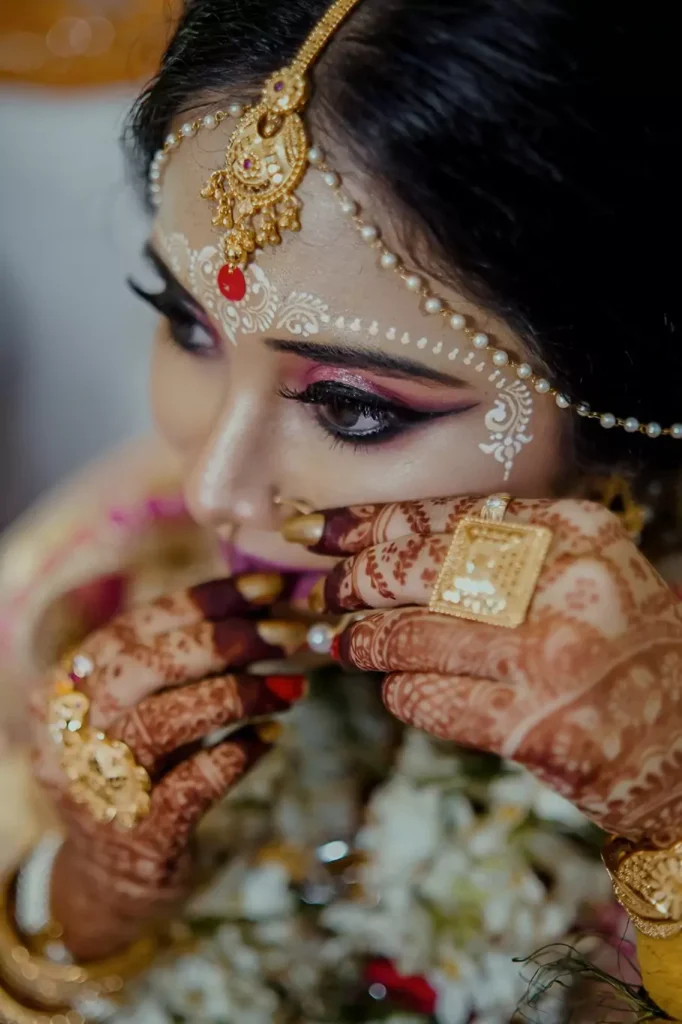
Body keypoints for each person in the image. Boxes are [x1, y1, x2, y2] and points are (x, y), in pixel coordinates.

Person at [0, 1, 681, 1021]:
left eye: (351, 406)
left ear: (622, 402)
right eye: (188, 325)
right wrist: (76, 903)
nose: (213, 490)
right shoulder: (99, 576)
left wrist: (666, 823)